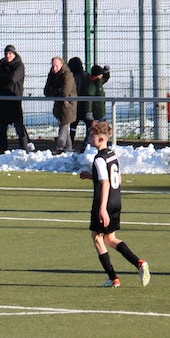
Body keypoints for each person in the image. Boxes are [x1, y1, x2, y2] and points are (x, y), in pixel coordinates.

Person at [78, 121, 150, 288]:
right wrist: (91, 176)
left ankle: (113, 279)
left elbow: (105, 183)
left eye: (92, 137)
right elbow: (117, 178)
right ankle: (139, 263)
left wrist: (102, 208)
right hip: (116, 200)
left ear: (101, 139)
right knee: (110, 238)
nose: (89, 139)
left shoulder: (99, 158)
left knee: (97, 237)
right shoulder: (112, 155)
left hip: (104, 202)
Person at [0, 44, 31, 154]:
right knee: (1, 126)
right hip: (2, 100)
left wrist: (1, 78)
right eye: (6, 53)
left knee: (18, 125)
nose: (8, 56)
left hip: (14, 100)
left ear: (14, 54)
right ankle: (2, 150)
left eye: (10, 53)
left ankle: (24, 148)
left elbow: (12, 78)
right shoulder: (1, 64)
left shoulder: (19, 66)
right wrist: (5, 78)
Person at [44, 56, 77, 153]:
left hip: (68, 106)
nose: (54, 69)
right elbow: (46, 91)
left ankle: (60, 147)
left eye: (56, 66)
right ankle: (68, 149)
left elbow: (64, 93)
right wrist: (57, 90)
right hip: (59, 106)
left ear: (62, 65)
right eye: (53, 66)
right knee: (65, 128)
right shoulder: (52, 74)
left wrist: (54, 91)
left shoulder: (67, 75)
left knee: (64, 127)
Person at [76, 64, 111, 153]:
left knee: (98, 131)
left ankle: (100, 147)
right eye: (101, 74)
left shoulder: (98, 81)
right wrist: (89, 112)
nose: (102, 75)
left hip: (99, 111)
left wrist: (106, 72)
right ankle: (84, 149)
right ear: (97, 75)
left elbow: (105, 78)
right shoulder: (91, 85)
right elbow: (89, 100)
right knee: (93, 132)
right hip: (96, 112)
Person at [67, 57, 87, 149]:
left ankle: (71, 143)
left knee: (73, 125)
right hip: (86, 105)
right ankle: (87, 144)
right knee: (89, 125)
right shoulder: (87, 75)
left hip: (76, 105)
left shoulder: (73, 78)